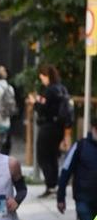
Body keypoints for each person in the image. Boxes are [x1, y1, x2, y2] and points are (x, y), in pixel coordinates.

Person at [57, 117, 97, 220]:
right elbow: (66, 170)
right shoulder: (80, 146)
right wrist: (60, 197)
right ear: (93, 128)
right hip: (83, 199)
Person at [33, 64, 72, 194]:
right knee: (53, 156)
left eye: (42, 77)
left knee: (43, 156)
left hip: (48, 126)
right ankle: (54, 184)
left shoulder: (49, 90)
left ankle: (50, 184)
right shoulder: (62, 88)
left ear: (47, 76)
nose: (42, 80)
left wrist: (35, 102)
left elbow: (43, 109)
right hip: (59, 127)